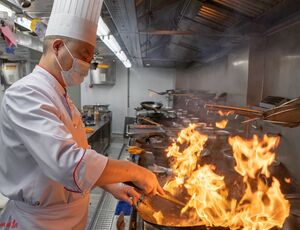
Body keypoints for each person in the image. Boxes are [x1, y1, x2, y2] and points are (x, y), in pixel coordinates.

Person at [0, 0, 163, 229]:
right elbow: (70, 164)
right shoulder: (26, 94)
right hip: (39, 222)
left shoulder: (63, 98)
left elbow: (83, 155)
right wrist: (136, 172)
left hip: (71, 217)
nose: (87, 64)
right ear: (57, 46)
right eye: (84, 55)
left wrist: (112, 186)